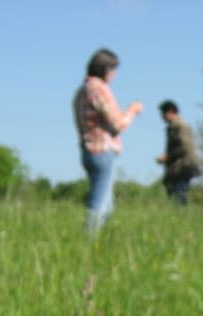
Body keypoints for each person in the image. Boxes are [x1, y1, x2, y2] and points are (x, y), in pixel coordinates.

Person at [72, 48, 142, 235]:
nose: (115, 75)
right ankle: (88, 242)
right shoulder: (99, 89)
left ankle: (97, 242)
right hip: (102, 150)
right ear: (106, 69)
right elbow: (117, 124)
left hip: (87, 150)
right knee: (99, 203)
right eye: (114, 70)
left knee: (107, 206)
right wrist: (132, 111)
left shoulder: (81, 90)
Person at [156, 100, 199, 205]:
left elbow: (185, 147)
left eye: (163, 114)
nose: (162, 117)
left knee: (179, 196)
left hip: (183, 168)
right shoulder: (173, 127)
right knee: (173, 197)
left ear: (170, 112)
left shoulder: (181, 126)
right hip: (176, 168)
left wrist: (167, 156)